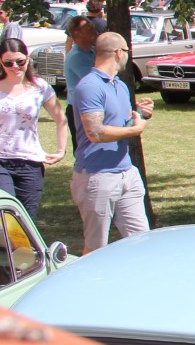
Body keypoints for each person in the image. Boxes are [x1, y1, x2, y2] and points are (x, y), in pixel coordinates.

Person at [70, 33, 152, 252]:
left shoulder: (120, 86)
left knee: (142, 241)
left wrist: (139, 115)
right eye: (126, 51)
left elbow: (120, 124)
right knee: (96, 249)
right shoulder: (90, 86)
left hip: (127, 174)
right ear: (118, 53)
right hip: (97, 177)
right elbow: (95, 132)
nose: (127, 56)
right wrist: (134, 130)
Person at [0, 39, 68, 218]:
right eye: (8, 63)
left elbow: (60, 119)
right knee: (7, 216)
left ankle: (21, 247)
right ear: (1, 62)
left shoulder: (40, 87)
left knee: (25, 220)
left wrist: (61, 151)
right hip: (1, 161)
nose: (15, 66)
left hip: (30, 163)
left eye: (20, 61)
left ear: (27, 59)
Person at [62, 16, 98, 153]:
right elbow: (94, 81)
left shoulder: (93, 52)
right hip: (79, 109)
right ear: (76, 33)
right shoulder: (77, 56)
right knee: (84, 150)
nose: (94, 31)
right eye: (89, 29)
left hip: (90, 107)